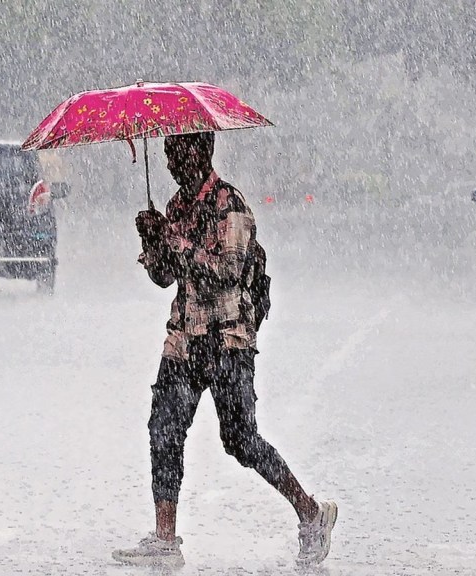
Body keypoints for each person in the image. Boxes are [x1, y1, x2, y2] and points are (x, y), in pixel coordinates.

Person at [111, 132, 337, 568]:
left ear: (201, 152)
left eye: (178, 152)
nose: (171, 163)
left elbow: (226, 272)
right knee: (164, 429)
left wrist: (174, 241)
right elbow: (165, 278)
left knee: (240, 440)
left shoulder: (230, 205)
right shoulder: (177, 207)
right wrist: (152, 241)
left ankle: (310, 512)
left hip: (227, 339)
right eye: (167, 153)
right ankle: (165, 537)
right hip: (184, 337)